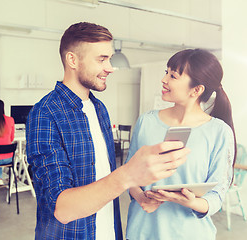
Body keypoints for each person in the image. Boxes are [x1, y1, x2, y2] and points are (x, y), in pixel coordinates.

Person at [26, 22, 190, 240]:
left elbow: (104, 178)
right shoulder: (45, 113)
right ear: (72, 60)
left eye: (110, 59)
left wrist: (141, 196)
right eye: (101, 59)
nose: (110, 67)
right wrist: (128, 174)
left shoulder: (99, 109)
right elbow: (62, 209)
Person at [125, 49, 236, 240]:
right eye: (166, 72)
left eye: (173, 76)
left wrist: (190, 202)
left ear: (197, 90)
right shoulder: (147, 121)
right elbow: (129, 174)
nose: (164, 79)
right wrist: (142, 198)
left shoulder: (219, 132)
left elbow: (217, 196)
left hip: (190, 233)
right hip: (142, 231)